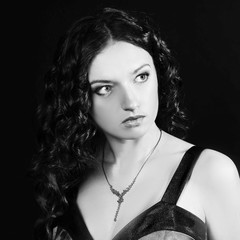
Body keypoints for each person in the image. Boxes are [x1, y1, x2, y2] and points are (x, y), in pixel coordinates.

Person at [32, 7, 240, 240]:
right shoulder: (68, 176)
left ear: (159, 75)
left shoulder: (211, 172)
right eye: (105, 88)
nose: (131, 102)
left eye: (141, 77)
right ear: (80, 99)